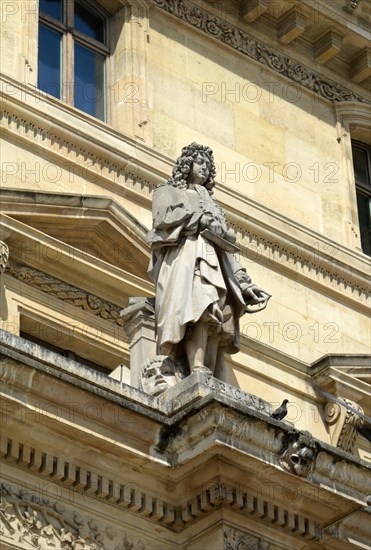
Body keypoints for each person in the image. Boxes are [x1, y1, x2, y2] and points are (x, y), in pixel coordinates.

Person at [146, 143, 270, 376]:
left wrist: (244, 283)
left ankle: (203, 369)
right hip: (186, 258)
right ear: (187, 164)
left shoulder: (216, 207)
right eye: (200, 163)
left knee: (215, 311)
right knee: (197, 305)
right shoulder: (168, 192)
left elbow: (228, 249)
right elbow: (162, 221)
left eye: (208, 165)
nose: (205, 168)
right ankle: (195, 366)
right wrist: (198, 220)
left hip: (213, 259)